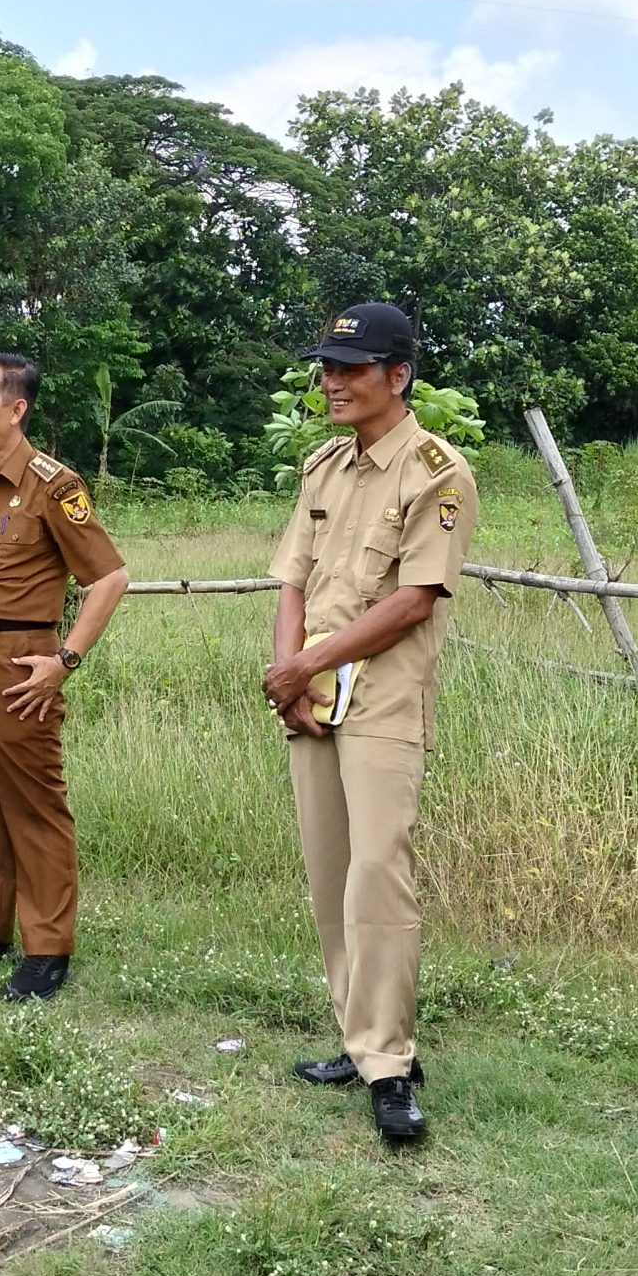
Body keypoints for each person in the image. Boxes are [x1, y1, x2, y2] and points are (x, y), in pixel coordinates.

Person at [262, 303, 475, 1145]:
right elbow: (293, 579)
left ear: (399, 375)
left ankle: (389, 1064)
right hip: (311, 694)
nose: (332, 382)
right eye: (327, 368)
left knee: (379, 872)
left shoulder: (436, 473)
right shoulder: (325, 466)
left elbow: (414, 600)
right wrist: (289, 675)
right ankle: (357, 1036)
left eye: (351, 369)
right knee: (330, 870)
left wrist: (305, 665)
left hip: (383, 695)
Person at [0, 352, 129, 1002]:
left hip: (21, 662)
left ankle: (46, 949)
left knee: (34, 805)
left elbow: (109, 578)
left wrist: (65, 661)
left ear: (16, 409)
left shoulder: (53, 486)